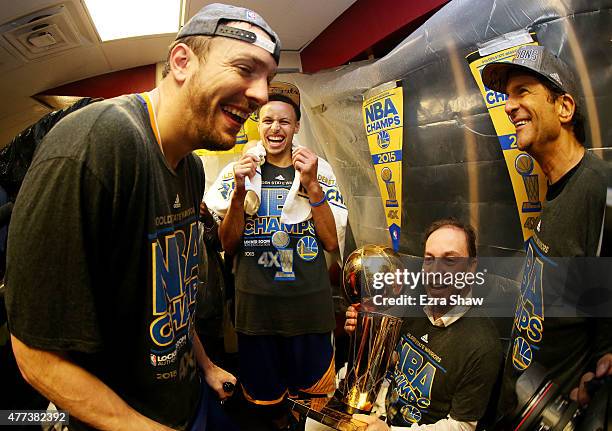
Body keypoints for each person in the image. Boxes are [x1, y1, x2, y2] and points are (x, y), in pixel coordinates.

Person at [5, 3, 279, 430]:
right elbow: (35, 356)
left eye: (269, 80)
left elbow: (172, 296)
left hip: (192, 401)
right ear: (182, 61)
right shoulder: (97, 144)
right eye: (246, 68)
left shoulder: (188, 167)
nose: (262, 95)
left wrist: (205, 365)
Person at [205, 83, 348, 430]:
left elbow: (331, 242)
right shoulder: (239, 172)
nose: (275, 129)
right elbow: (228, 244)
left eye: (285, 122)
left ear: (297, 126)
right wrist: (239, 192)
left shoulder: (319, 170)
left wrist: (312, 185)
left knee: (313, 408)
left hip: (309, 314)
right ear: (258, 123)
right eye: (268, 120)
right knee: (265, 408)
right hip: (257, 315)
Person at [481, 45, 612, 421]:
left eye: (522, 91)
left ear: (564, 108)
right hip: (520, 407)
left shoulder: (600, 189)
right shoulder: (552, 190)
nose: (508, 106)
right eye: (507, 96)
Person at [345, 219, 502, 431]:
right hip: (378, 413)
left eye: (450, 260)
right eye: (429, 259)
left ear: (471, 267)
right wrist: (365, 335)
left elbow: (462, 426)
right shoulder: (410, 304)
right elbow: (391, 362)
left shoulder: (483, 345)